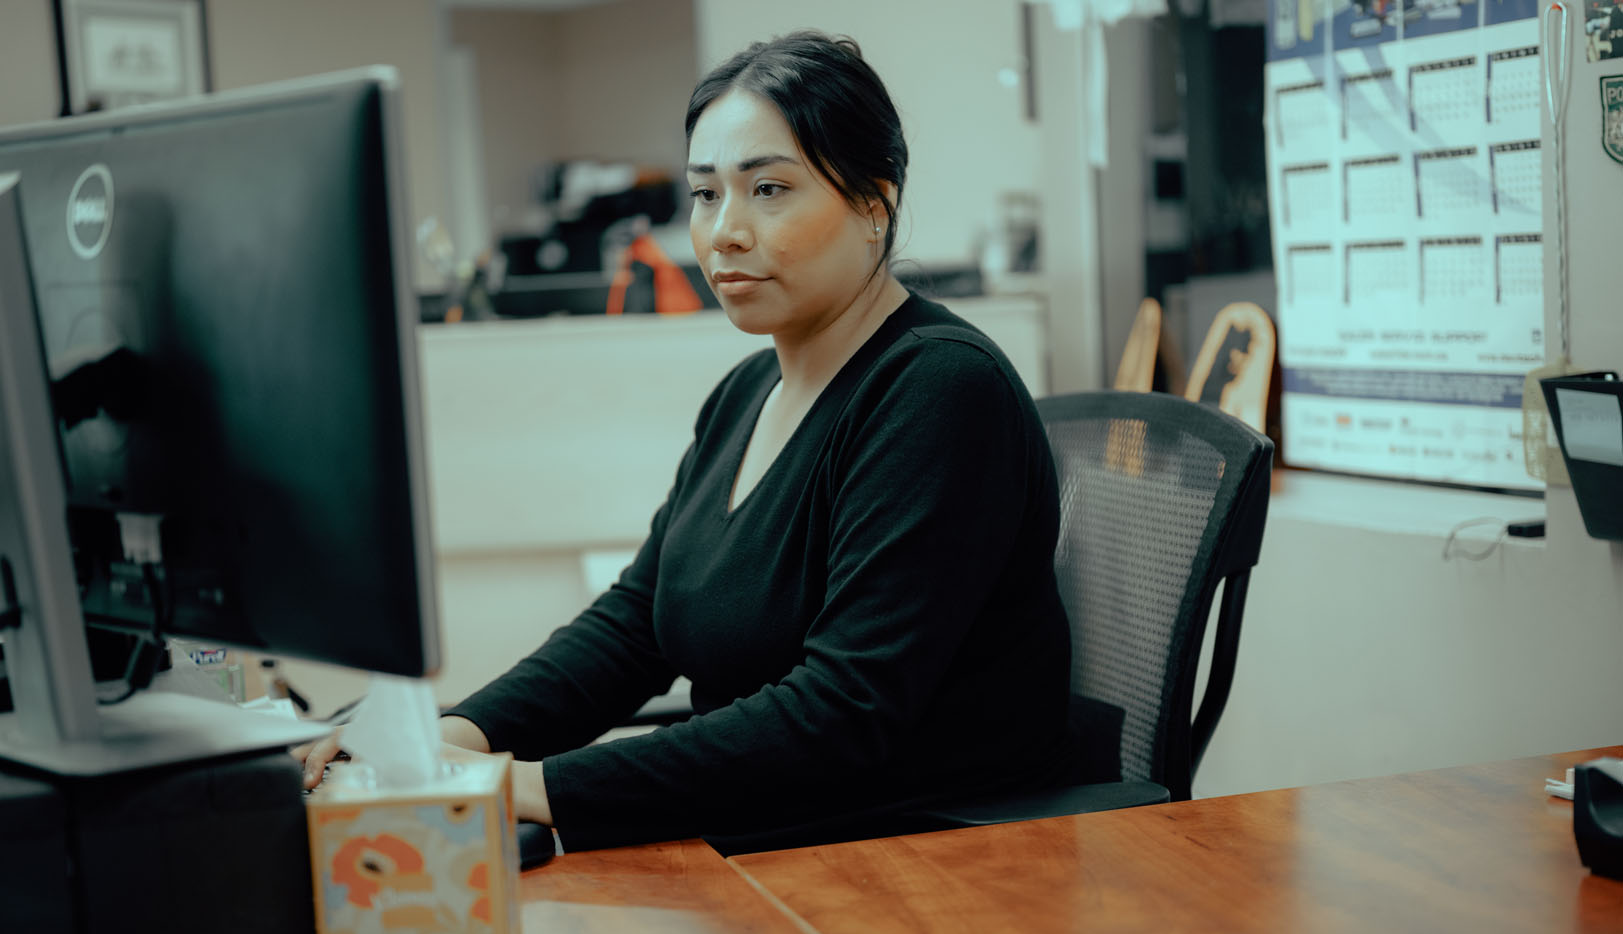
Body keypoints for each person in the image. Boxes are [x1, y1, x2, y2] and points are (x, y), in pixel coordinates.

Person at [297, 30, 1076, 852]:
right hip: (775, 834)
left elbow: (841, 715)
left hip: (915, 865)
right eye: (705, 195)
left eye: (769, 189)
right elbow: (638, 623)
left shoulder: (938, 392)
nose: (725, 232)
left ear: (872, 204)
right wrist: (460, 735)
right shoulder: (748, 392)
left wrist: (523, 786)